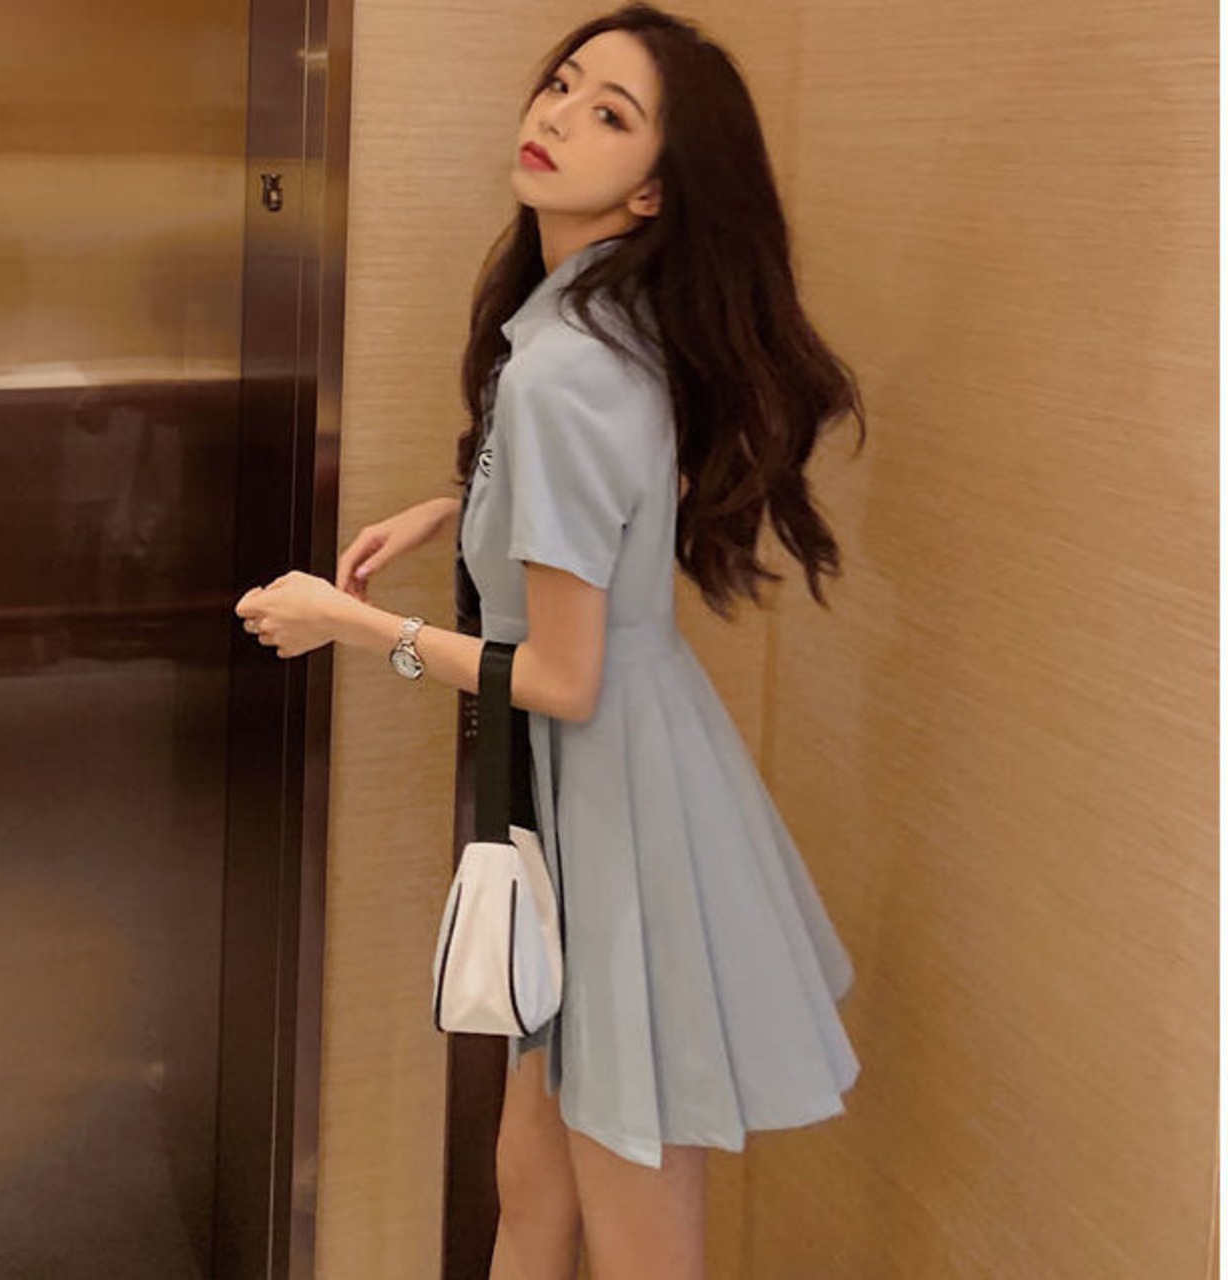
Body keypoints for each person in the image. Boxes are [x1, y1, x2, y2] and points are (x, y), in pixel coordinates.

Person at [235, 5, 867, 1277]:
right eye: (564, 84)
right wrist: (458, 510)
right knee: (531, 1182)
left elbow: (565, 677)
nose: (557, 116)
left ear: (650, 193)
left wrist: (352, 625)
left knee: (631, 1227)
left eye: (609, 114)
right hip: (614, 787)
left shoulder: (563, 367)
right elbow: (612, 508)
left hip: (613, 809)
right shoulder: (592, 329)